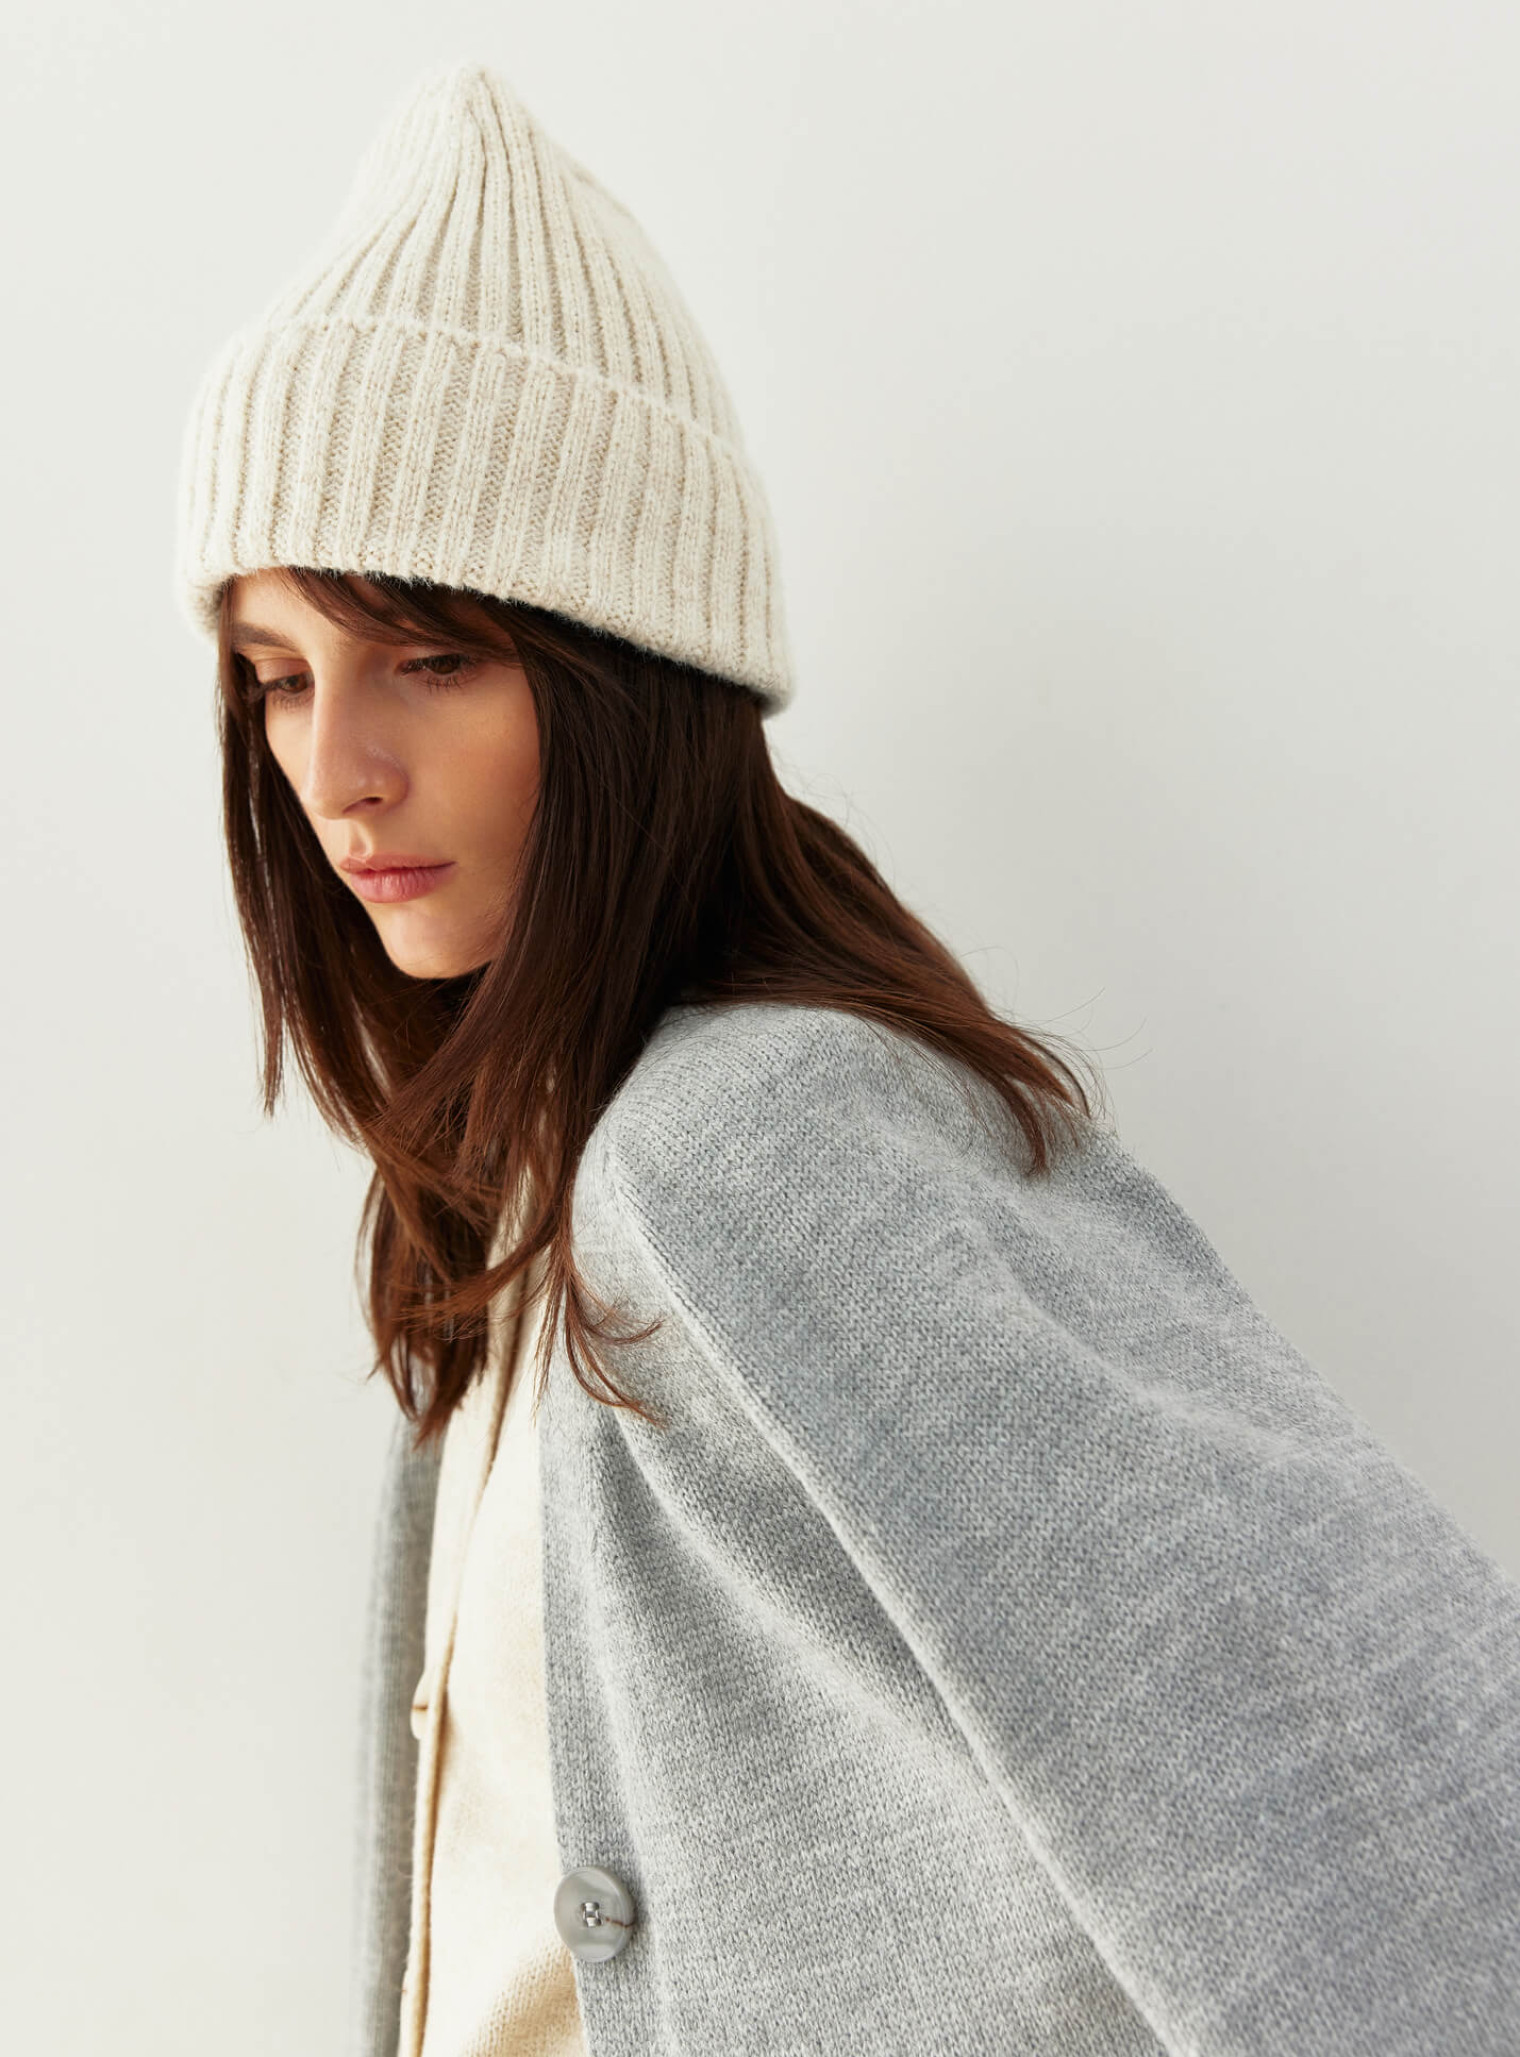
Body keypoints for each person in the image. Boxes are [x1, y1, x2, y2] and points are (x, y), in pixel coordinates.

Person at [172, 58, 1520, 2057]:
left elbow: (1344, 1766)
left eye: (431, 658)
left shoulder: (757, 1144)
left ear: (629, 675)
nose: (335, 770)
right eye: (280, 678)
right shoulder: (506, 1193)